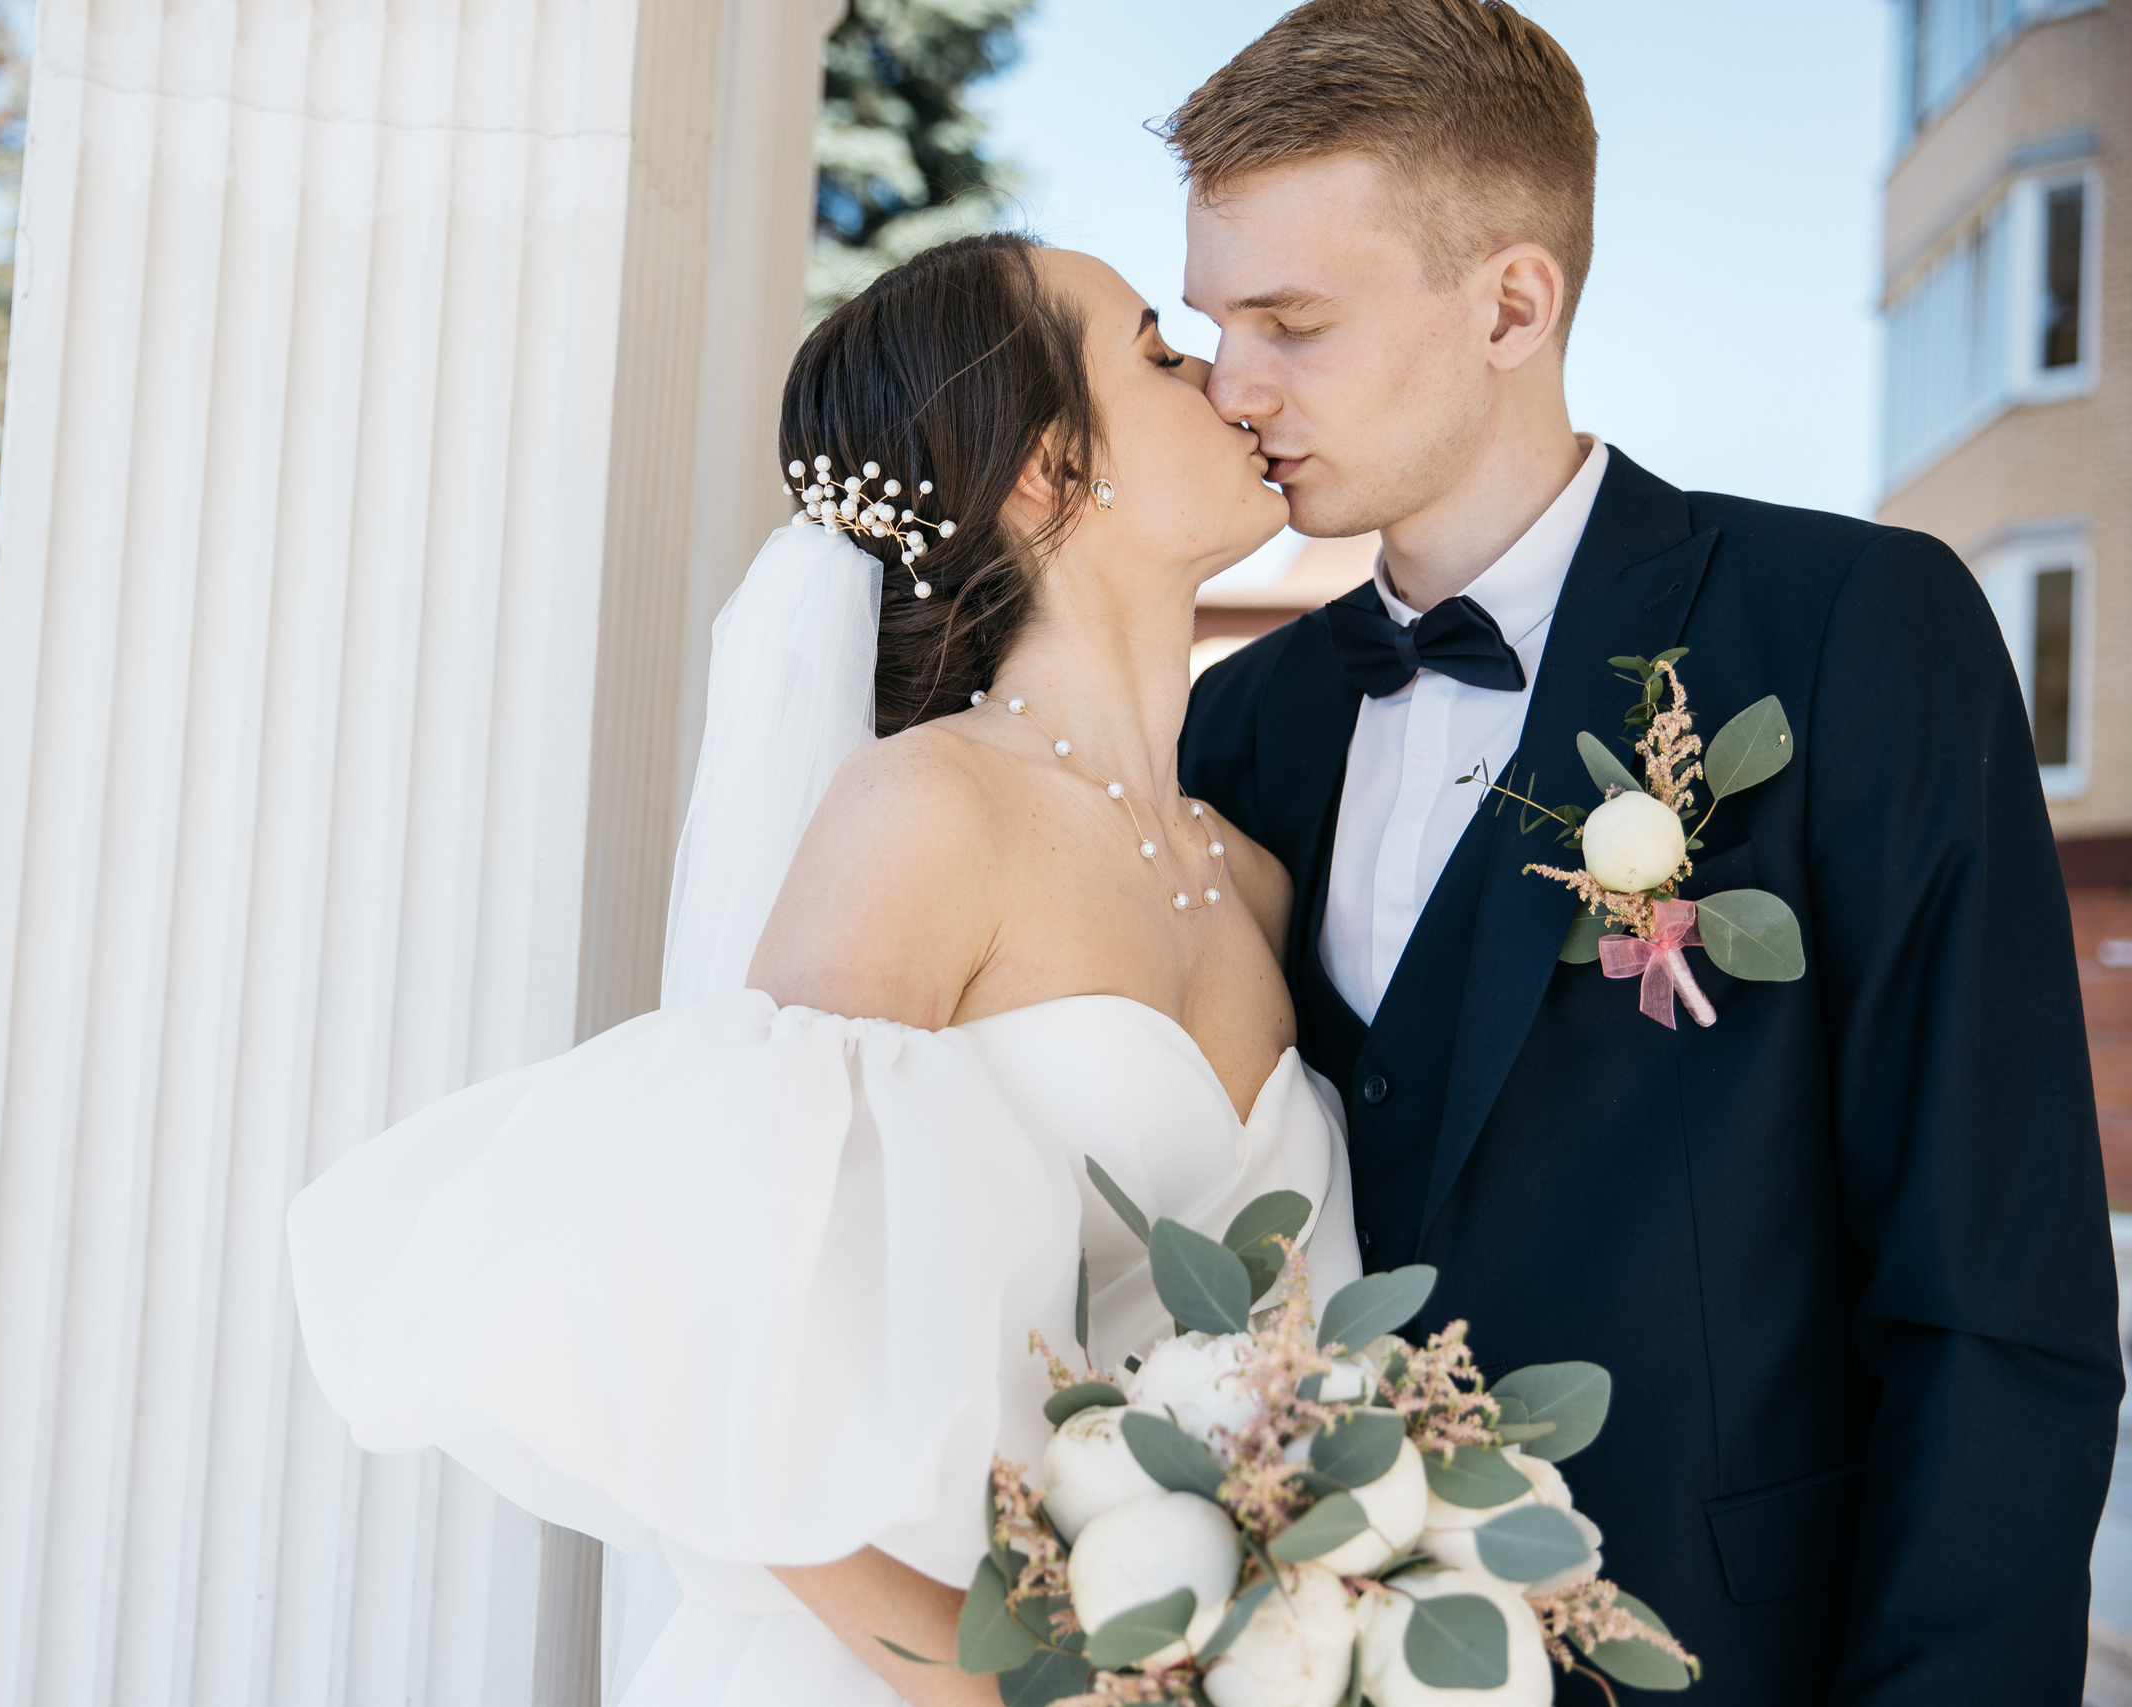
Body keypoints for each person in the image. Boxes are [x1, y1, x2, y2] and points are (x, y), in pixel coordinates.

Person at [1170, 3, 2120, 1701]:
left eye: (1290, 321)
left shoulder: (1849, 630)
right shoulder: (1239, 725)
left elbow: (1994, 1293)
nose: (1233, 386)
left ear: (1512, 304)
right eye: (1211, 322)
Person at [290, 233, 1359, 1705]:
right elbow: (721, 1351)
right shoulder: (928, 813)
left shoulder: (1253, 876)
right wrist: (1029, 1692)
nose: (1225, 381)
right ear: (1053, 467)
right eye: (1161, 356)